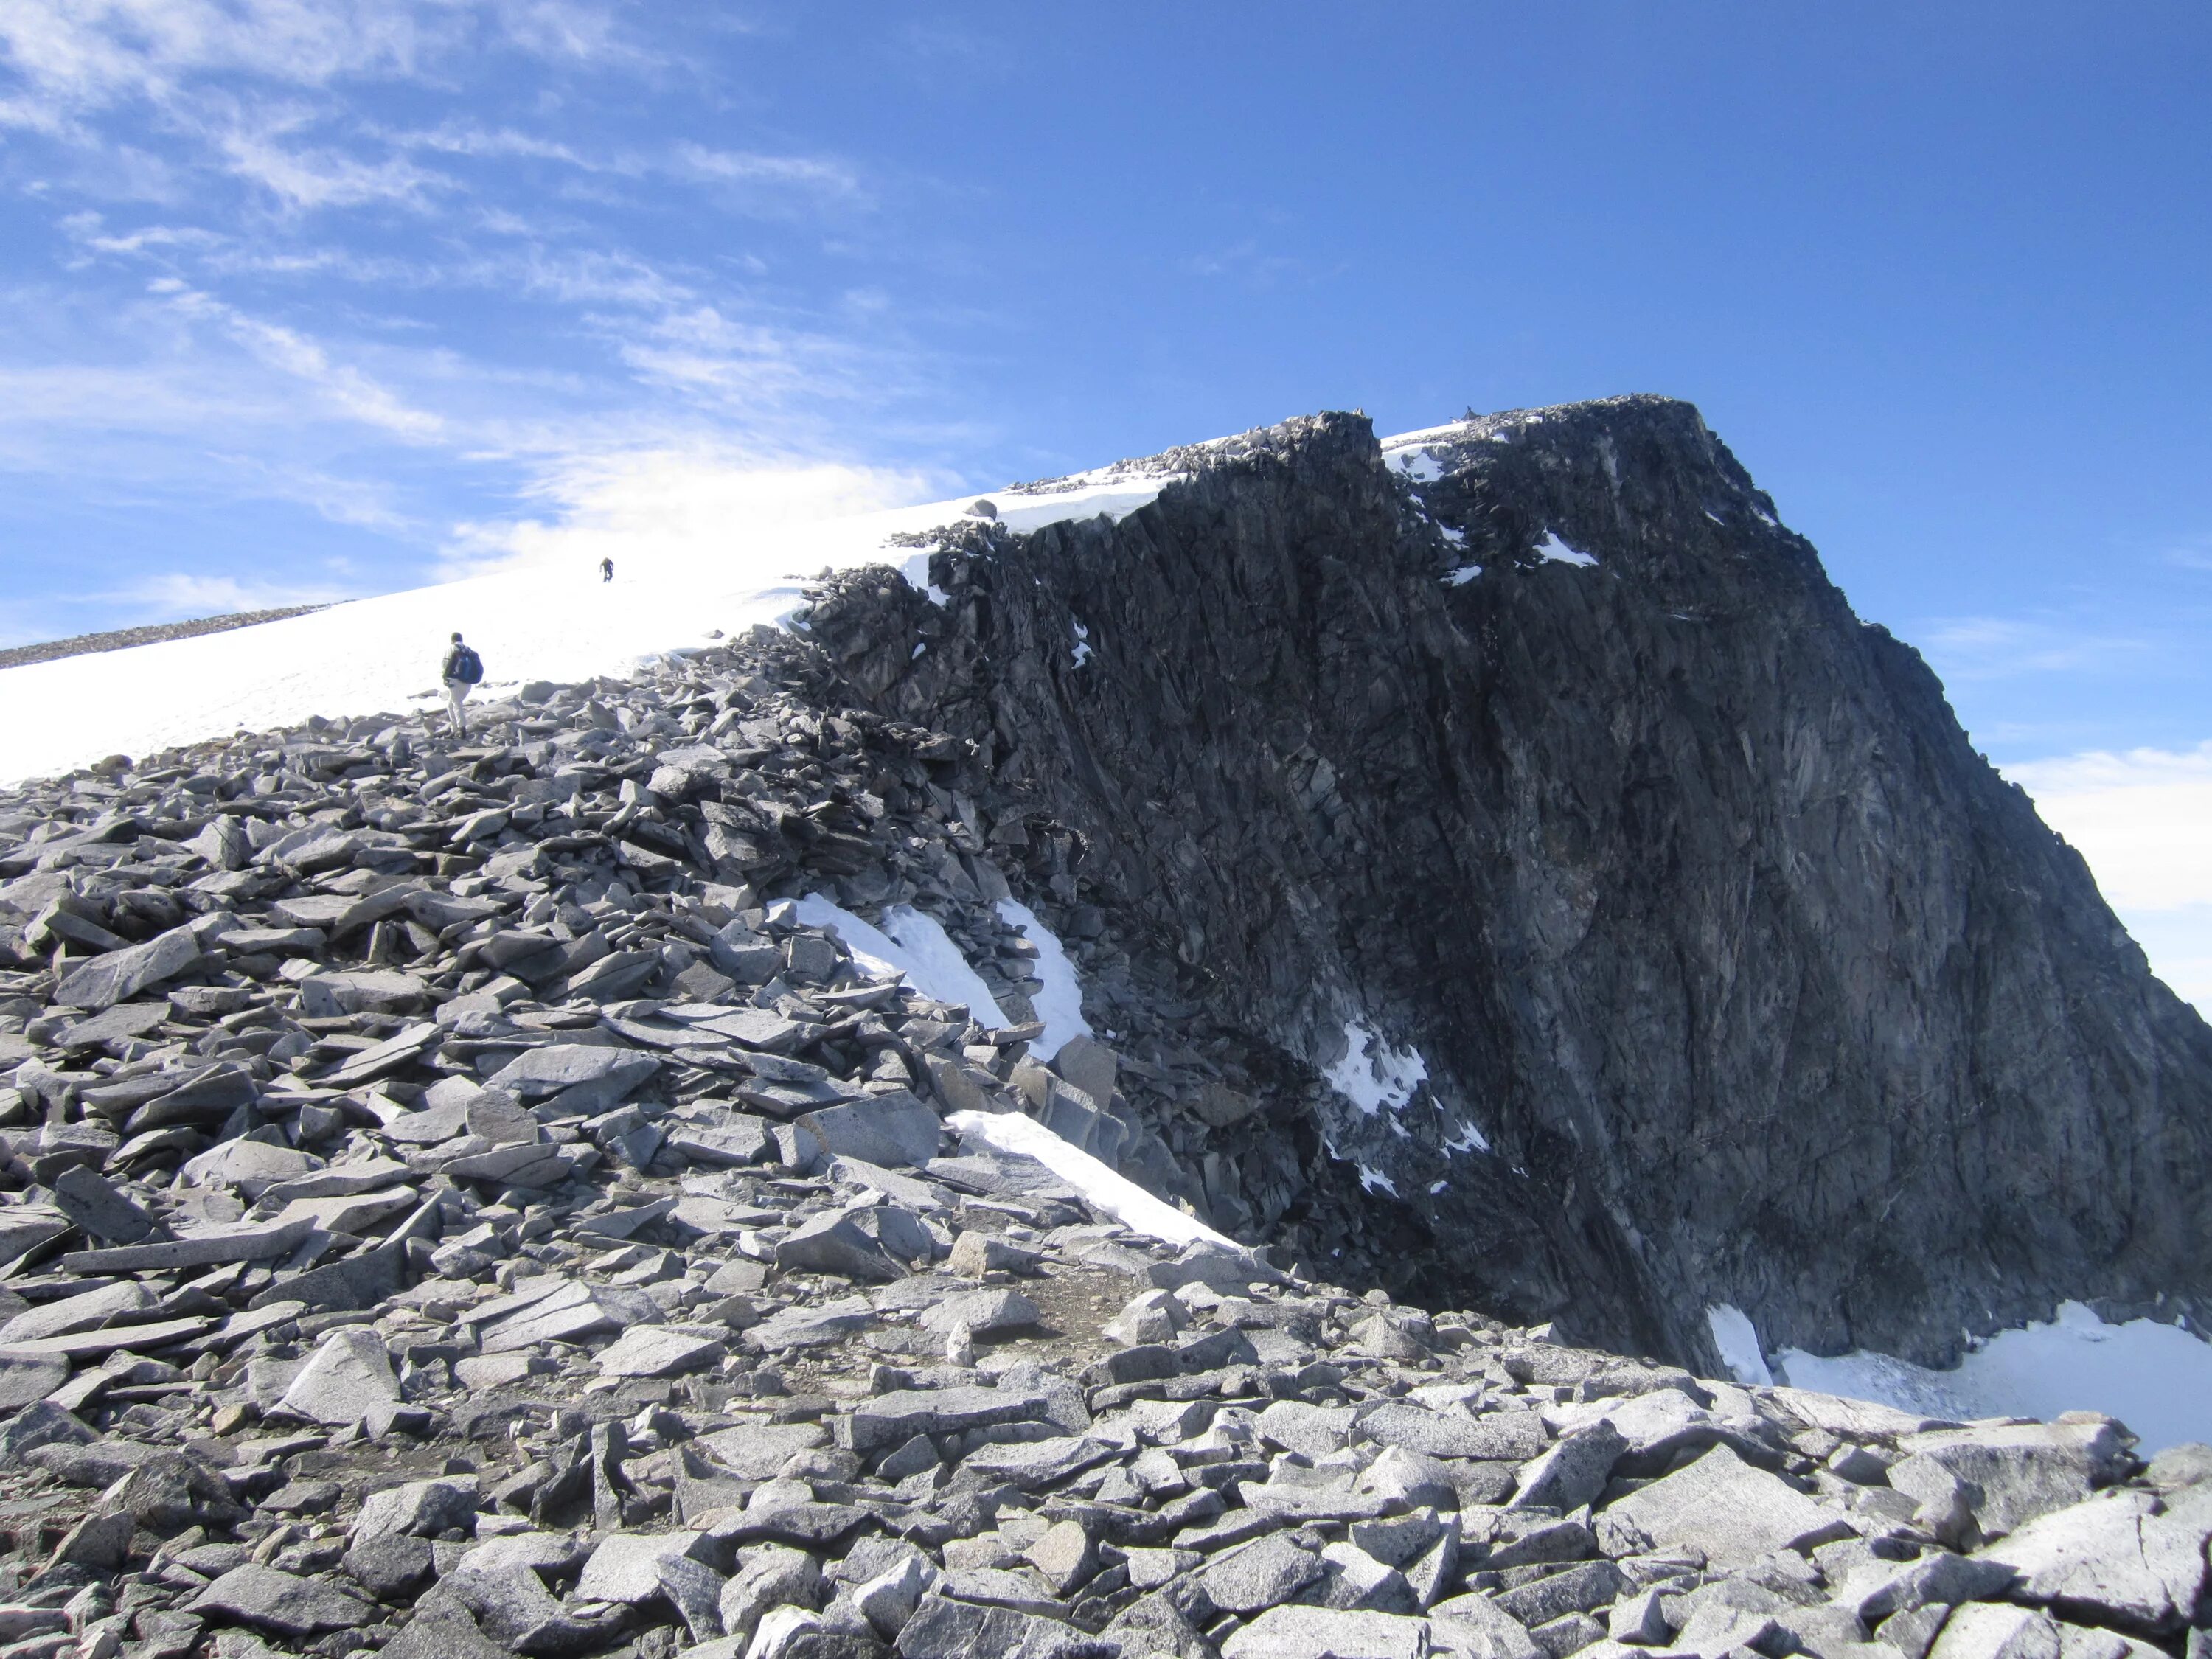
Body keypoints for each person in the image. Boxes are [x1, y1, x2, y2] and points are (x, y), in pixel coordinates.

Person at [441, 631, 483, 736]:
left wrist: (445, 677)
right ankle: (454, 729)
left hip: (454, 681)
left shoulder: (451, 649)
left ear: (452, 640)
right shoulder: (469, 650)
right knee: (451, 706)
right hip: (468, 682)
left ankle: (461, 729)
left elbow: (446, 665)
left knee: (456, 705)